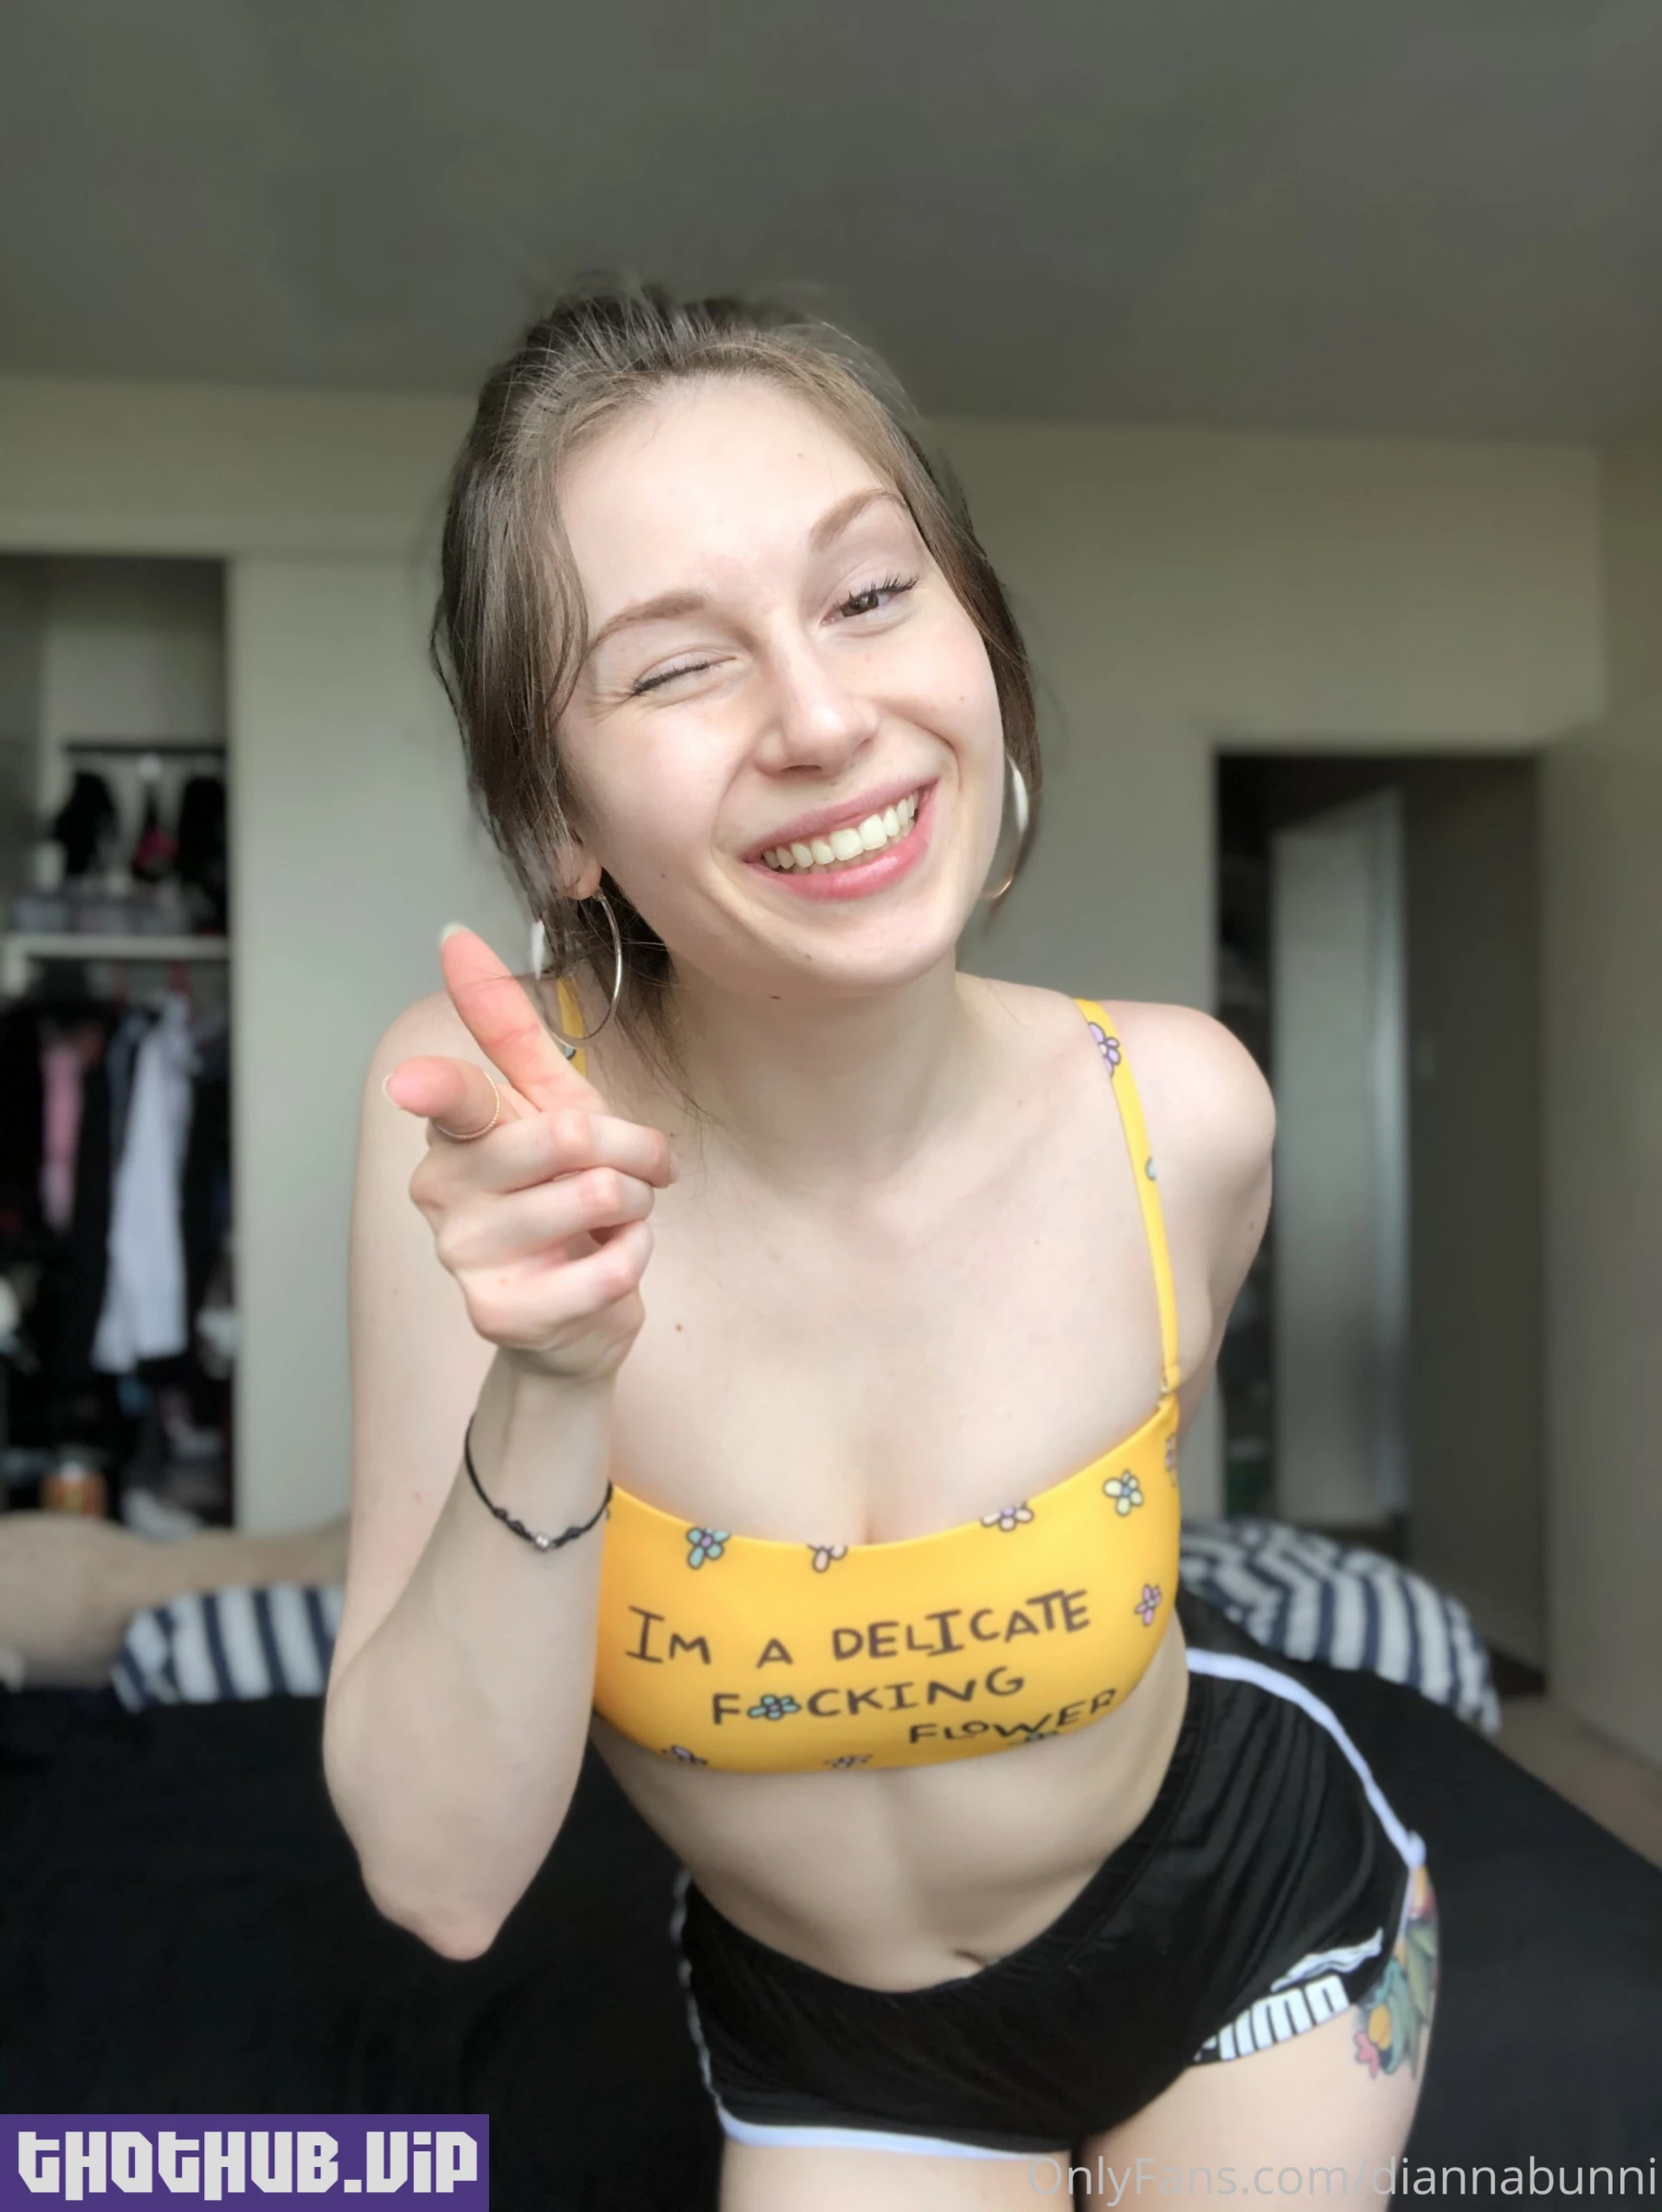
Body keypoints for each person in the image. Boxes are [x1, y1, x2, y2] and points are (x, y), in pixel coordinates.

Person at [323, 282, 1440, 2209]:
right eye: (677, 666)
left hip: (1250, 1918)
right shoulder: (488, 1113)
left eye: (868, 594)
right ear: (554, 814)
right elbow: (442, 1877)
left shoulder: (1183, 1113)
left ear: (975, 640)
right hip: (839, 2037)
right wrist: (553, 1371)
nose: (827, 720)